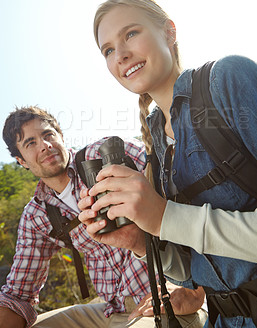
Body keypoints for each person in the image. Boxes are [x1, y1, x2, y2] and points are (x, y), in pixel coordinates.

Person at [78, 0, 257, 327]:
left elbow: (179, 222)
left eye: (130, 34)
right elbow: (195, 267)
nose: (120, 55)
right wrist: (138, 239)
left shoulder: (229, 80)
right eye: (107, 50)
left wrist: (165, 216)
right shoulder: (155, 148)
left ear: (170, 31)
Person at [0, 106, 207, 328]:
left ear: (60, 136)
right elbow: (18, 294)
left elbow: (186, 183)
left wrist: (196, 289)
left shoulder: (103, 153)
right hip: (112, 311)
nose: (45, 145)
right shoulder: (36, 215)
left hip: (168, 298)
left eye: (48, 134)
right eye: (31, 143)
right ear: (21, 160)